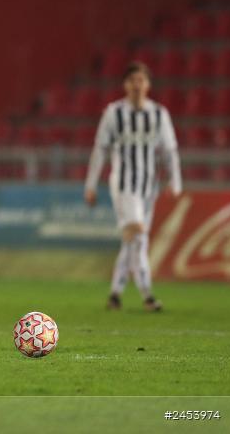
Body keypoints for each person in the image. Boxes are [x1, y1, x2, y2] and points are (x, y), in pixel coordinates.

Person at [84, 61, 181, 312]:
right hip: (124, 185)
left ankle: (115, 293)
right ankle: (148, 294)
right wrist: (91, 184)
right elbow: (100, 150)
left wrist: (175, 181)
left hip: (150, 187)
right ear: (125, 85)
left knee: (134, 240)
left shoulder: (159, 114)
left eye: (141, 80)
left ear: (148, 85)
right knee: (138, 235)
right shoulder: (113, 113)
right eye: (132, 80)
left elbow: (170, 151)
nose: (137, 85)